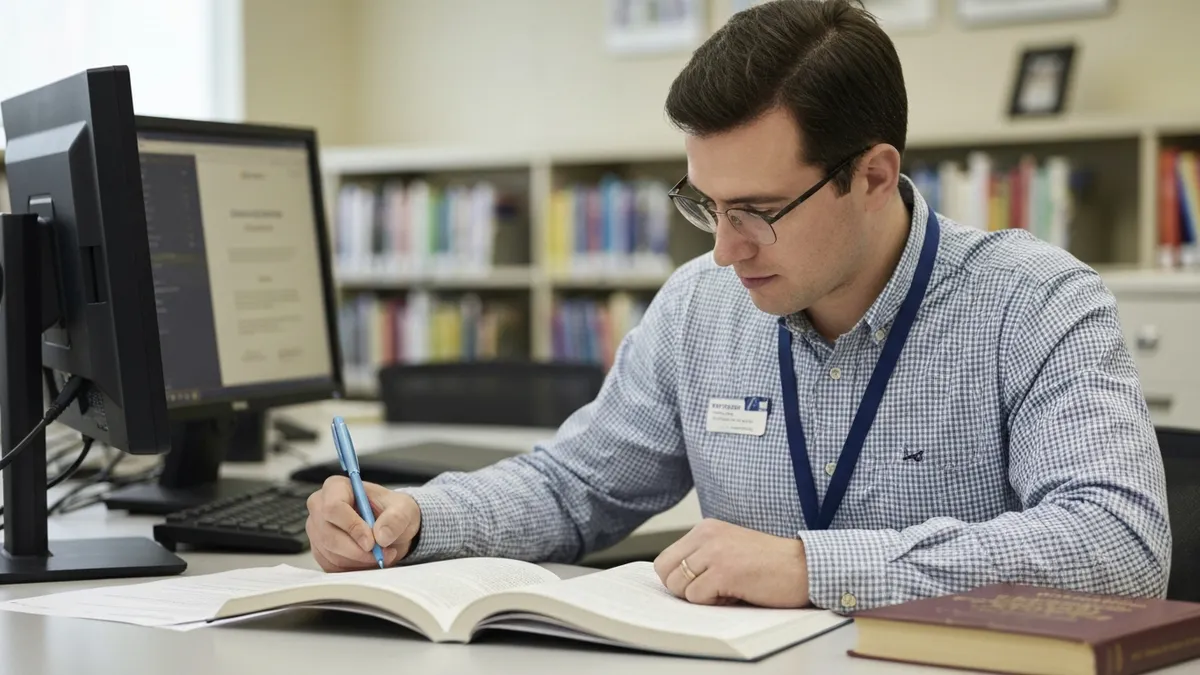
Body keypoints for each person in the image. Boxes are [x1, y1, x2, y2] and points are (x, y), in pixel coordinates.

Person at [306, 0, 1171, 613]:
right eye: (705, 205)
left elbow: (1119, 546)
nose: (723, 249)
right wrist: (421, 517)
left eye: (757, 212)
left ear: (872, 175)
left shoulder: (1035, 302)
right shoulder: (701, 308)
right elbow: (575, 487)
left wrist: (813, 565)